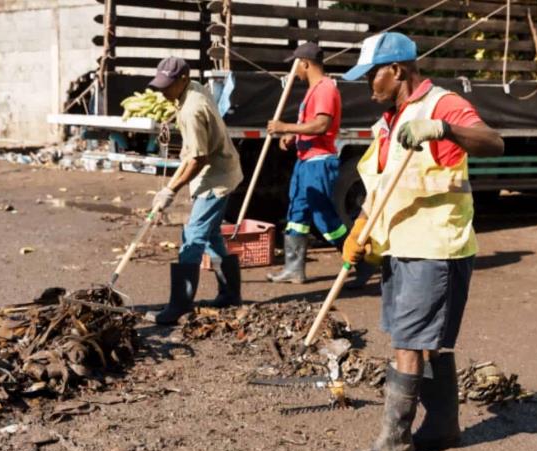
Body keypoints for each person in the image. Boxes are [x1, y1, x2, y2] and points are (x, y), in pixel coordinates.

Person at [340, 33, 503, 451]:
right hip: (401, 245)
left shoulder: (441, 106)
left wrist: (444, 129)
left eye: (372, 75)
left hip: (436, 244)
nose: (368, 85)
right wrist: (359, 231)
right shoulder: (388, 121)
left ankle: (394, 439)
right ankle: (443, 427)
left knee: (408, 342)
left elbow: (494, 142)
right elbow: (379, 186)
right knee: (428, 342)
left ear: (397, 70)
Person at [143, 57, 244, 325]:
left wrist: (170, 190)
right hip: (222, 170)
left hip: (215, 178)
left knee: (193, 238)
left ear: (183, 80)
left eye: (168, 86)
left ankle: (179, 306)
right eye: (161, 85)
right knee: (211, 237)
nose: (163, 92)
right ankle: (230, 294)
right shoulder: (194, 89)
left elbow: (198, 159)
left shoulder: (192, 110)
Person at [266, 42, 373, 286]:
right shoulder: (314, 89)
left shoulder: (325, 89)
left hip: (319, 163)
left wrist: (286, 126)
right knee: (296, 214)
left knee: (325, 219)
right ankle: (294, 269)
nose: (294, 72)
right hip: (305, 162)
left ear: (304, 63)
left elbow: (322, 124)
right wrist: (293, 136)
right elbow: (312, 125)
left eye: (296, 66)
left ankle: (360, 262)